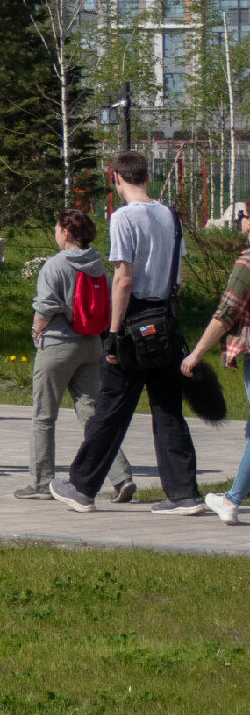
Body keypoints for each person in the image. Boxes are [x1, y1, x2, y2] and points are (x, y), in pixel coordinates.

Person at [53, 151, 205, 515]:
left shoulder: (122, 217)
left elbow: (123, 277)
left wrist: (115, 333)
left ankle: (81, 486)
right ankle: (184, 493)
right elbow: (178, 275)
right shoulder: (171, 216)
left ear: (116, 177)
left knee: (112, 406)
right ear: (146, 177)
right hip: (166, 317)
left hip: (133, 317)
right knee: (167, 406)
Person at [15, 209, 135, 502]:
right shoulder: (98, 264)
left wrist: (35, 332)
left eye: (57, 228)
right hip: (91, 344)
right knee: (94, 416)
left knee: (43, 416)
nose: (55, 233)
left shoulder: (54, 266)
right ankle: (121, 477)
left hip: (57, 346)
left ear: (66, 232)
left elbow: (45, 307)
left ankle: (41, 483)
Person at [186, 232, 250, 522]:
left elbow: (226, 312)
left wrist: (197, 353)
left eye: (244, 218)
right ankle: (232, 498)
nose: (242, 224)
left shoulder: (247, 264)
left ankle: (232, 500)